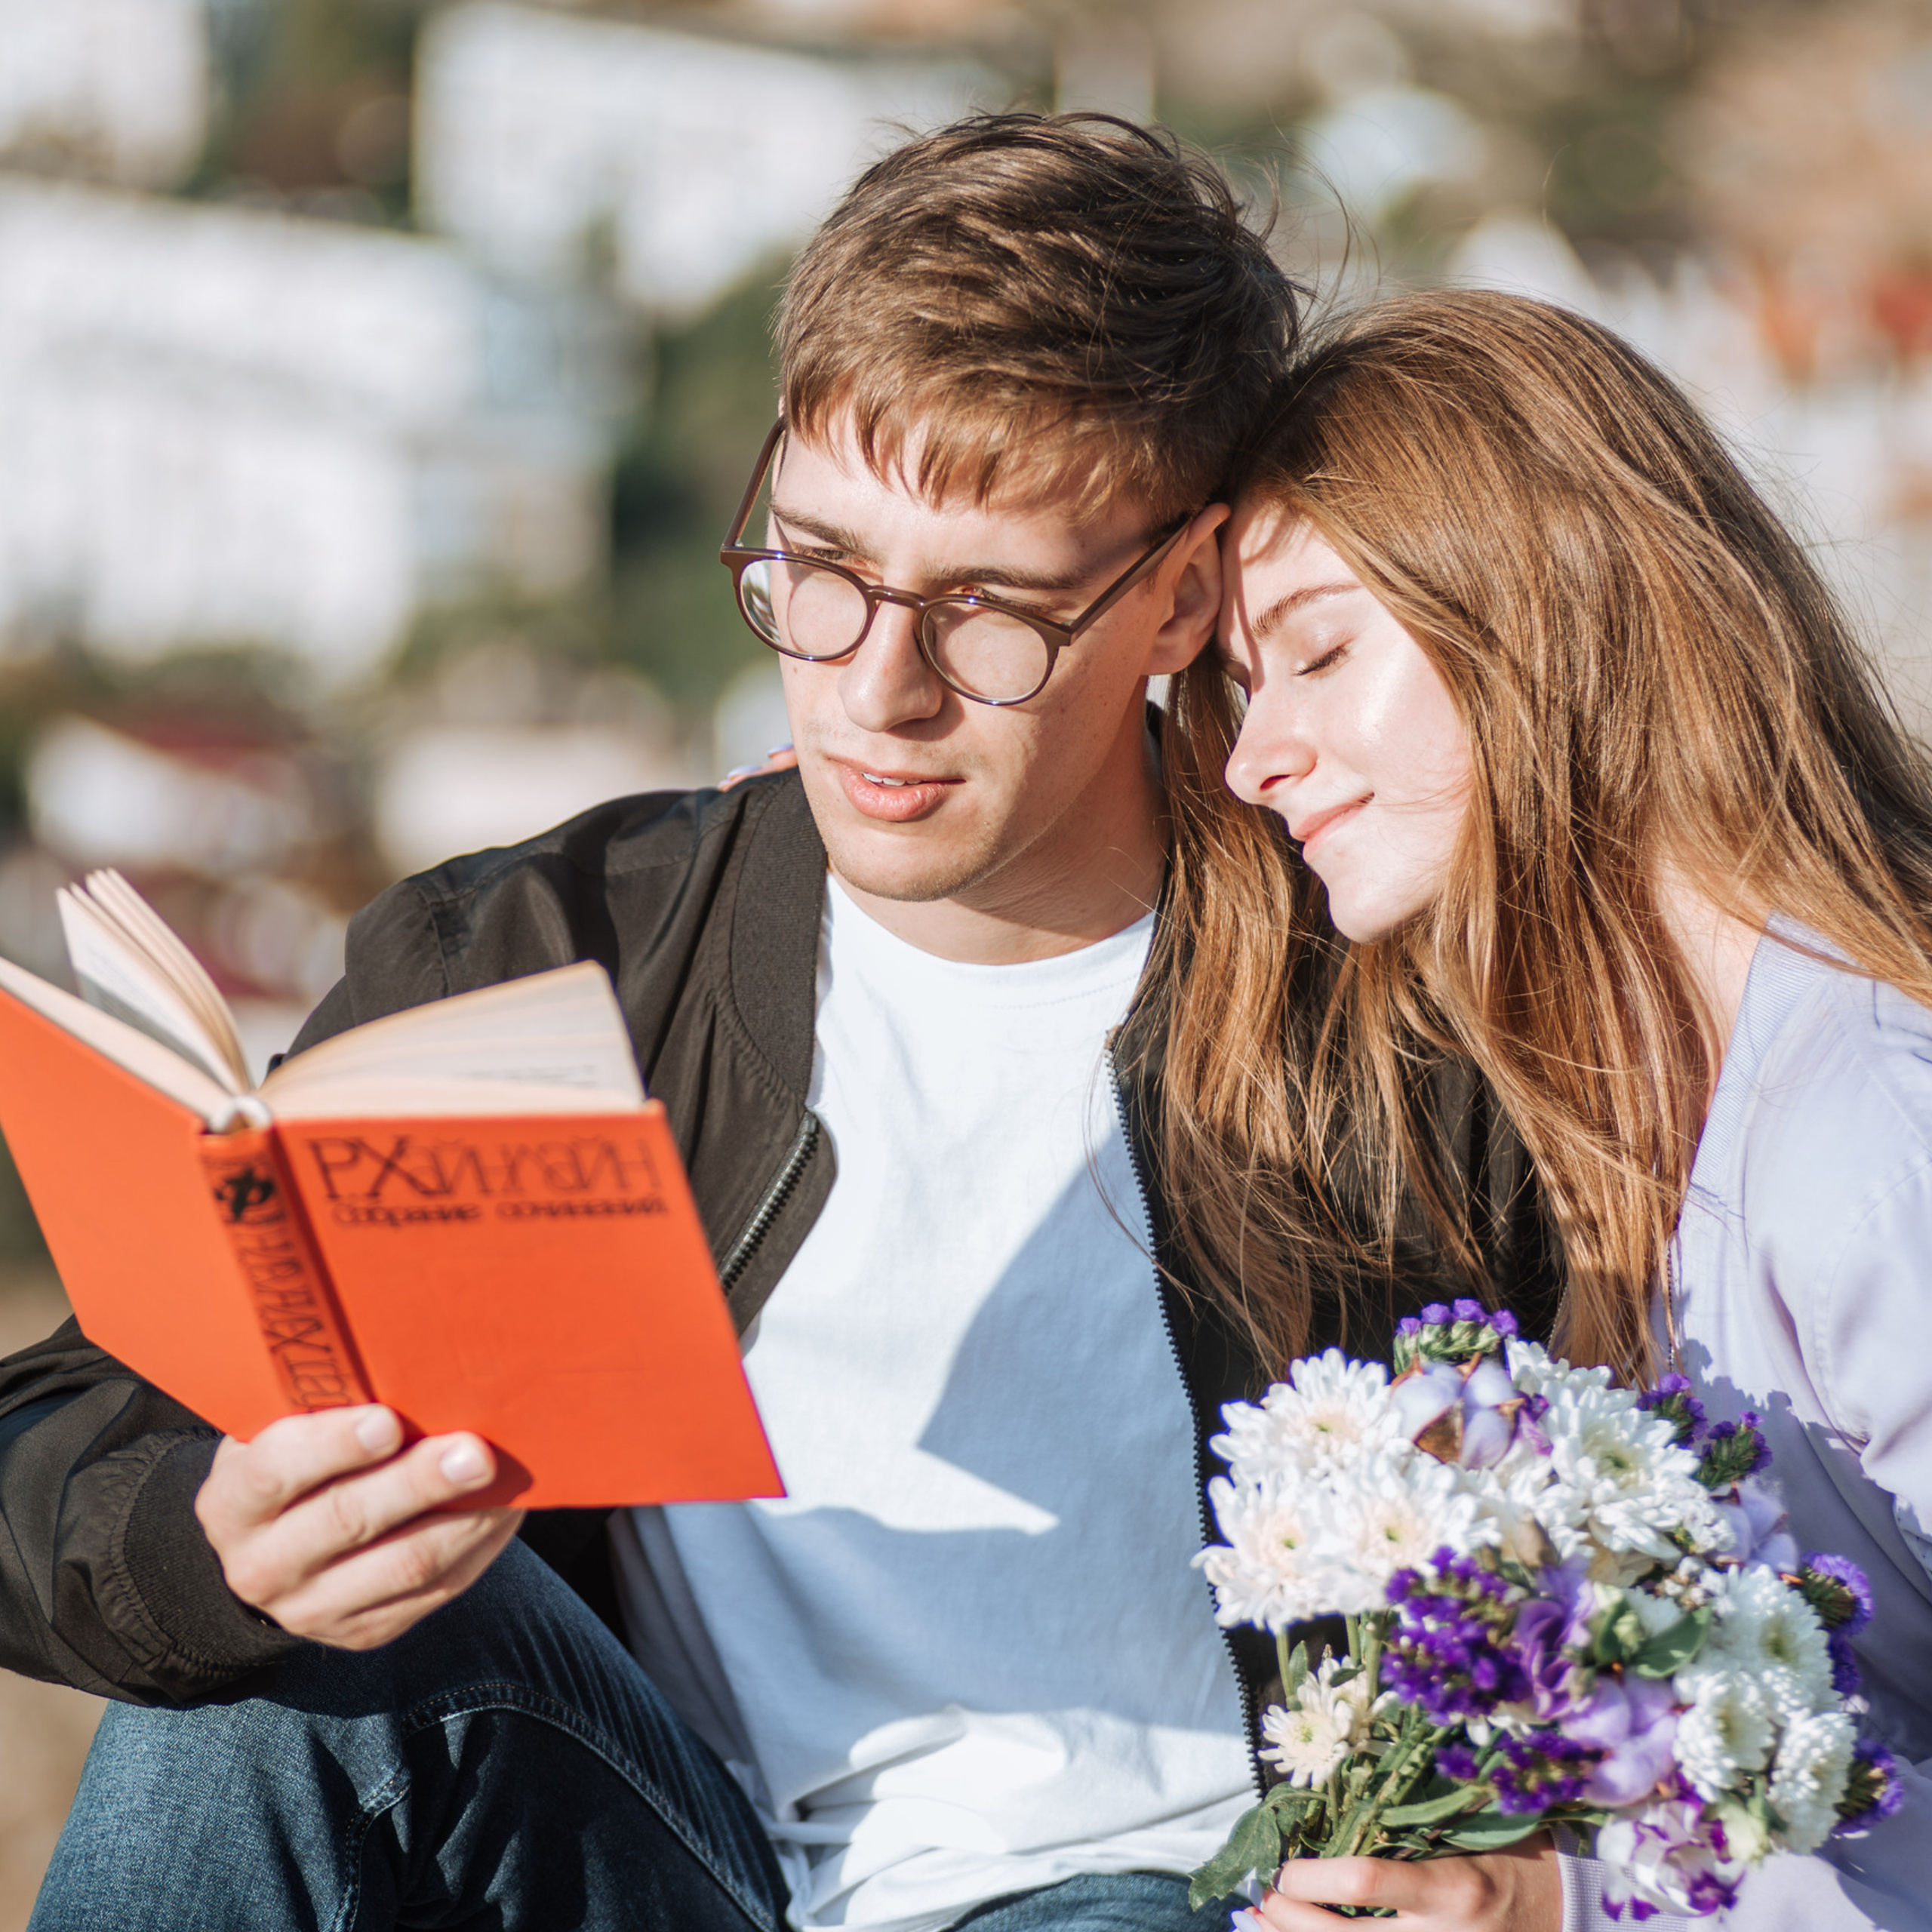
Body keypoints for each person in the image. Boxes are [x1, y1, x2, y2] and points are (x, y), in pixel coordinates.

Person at [0, 120, 1553, 1932]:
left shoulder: (1384, 1015)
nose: (875, 691)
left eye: (987, 610)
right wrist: (218, 1548)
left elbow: (1656, 1560)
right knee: (257, 1687)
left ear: (1180, 597)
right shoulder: (547, 950)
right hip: (651, 1859)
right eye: (821, 565)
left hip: (1155, 1892)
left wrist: (1524, 1865)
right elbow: (50, 1435)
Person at [1177, 287, 1932, 1930]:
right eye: (1242, 687)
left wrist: (1549, 1907)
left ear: (1550, 605)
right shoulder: (1642, 1128)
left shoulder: (1862, 1144)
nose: (1254, 759)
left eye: (1315, 652)